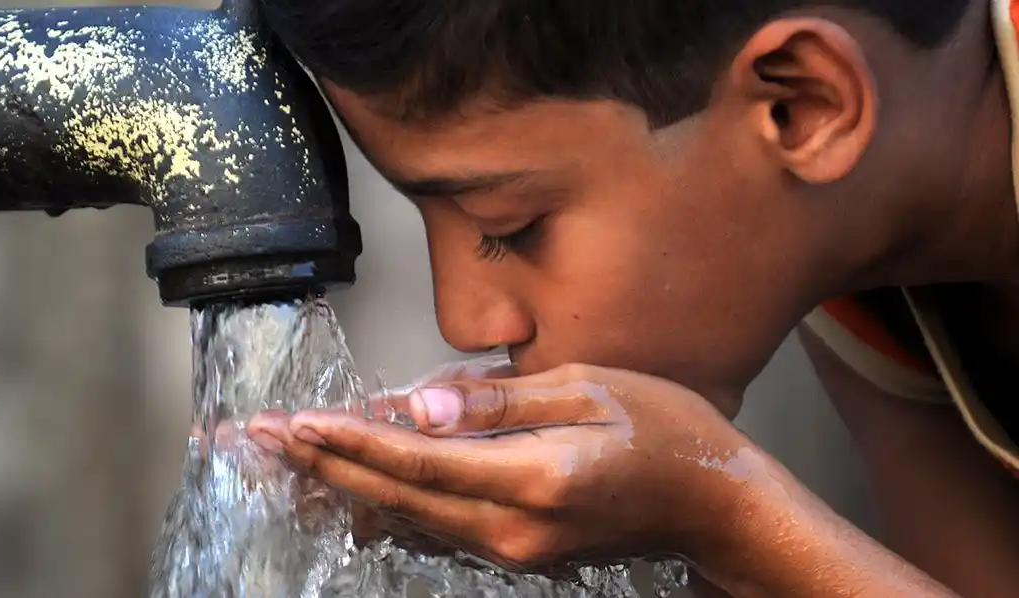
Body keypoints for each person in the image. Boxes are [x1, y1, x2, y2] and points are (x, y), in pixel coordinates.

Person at [245, 1, 1019, 596]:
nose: (469, 320)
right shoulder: (859, 268)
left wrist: (729, 517)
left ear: (803, 107)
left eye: (510, 228)